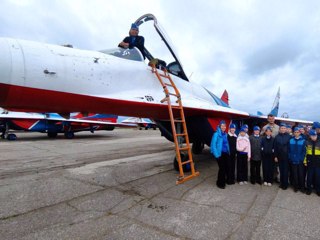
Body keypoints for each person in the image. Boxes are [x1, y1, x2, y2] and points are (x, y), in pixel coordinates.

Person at [210, 120, 230, 189]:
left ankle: (224, 180)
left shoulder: (225, 134)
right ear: (219, 126)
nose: (224, 127)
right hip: (219, 154)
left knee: (226, 167)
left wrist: (228, 151)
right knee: (222, 168)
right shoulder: (216, 134)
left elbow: (226, 144)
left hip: (226, 153)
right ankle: (220, 183)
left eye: (225, 126)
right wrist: (217, 155)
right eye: (222, 126)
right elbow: (213, 145)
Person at [274, 123, 291, 190]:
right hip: (279, 156)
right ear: (280, 129)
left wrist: (290, 156)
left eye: (284, 128)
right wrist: (275, 156)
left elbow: (290, 147)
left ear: (286, 129)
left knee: (286, 171)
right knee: (281, 170)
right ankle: (282, 183)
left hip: (286, 156)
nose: (283, 129)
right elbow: (275, 147)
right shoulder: (277, 137)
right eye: (282, 128)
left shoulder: (289, 137)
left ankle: (285, 184)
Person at [289, 127, 306, 192]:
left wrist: (301, 158)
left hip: (300, 161)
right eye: (295, 132)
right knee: (295, 174)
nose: (296, 133)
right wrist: (290, 157)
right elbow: (289, 150)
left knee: (301, 174)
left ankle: (302, 187)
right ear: (293, 133)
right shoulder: (291, 140)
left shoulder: (303, 141)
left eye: (298, 132)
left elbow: (304, 151)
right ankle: (296, 187)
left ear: (300, 133)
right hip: (293, 160)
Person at [304, 129, 320, 195]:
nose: (314, 137)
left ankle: (318, 190)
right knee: (309, 177)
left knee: (318, 177)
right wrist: (305, 161)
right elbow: (305, 153)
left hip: (318, 163)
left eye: (315, 135)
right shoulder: (307, 142)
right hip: (310, 162)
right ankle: (309, 189)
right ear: (310, 136)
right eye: (312, 136)